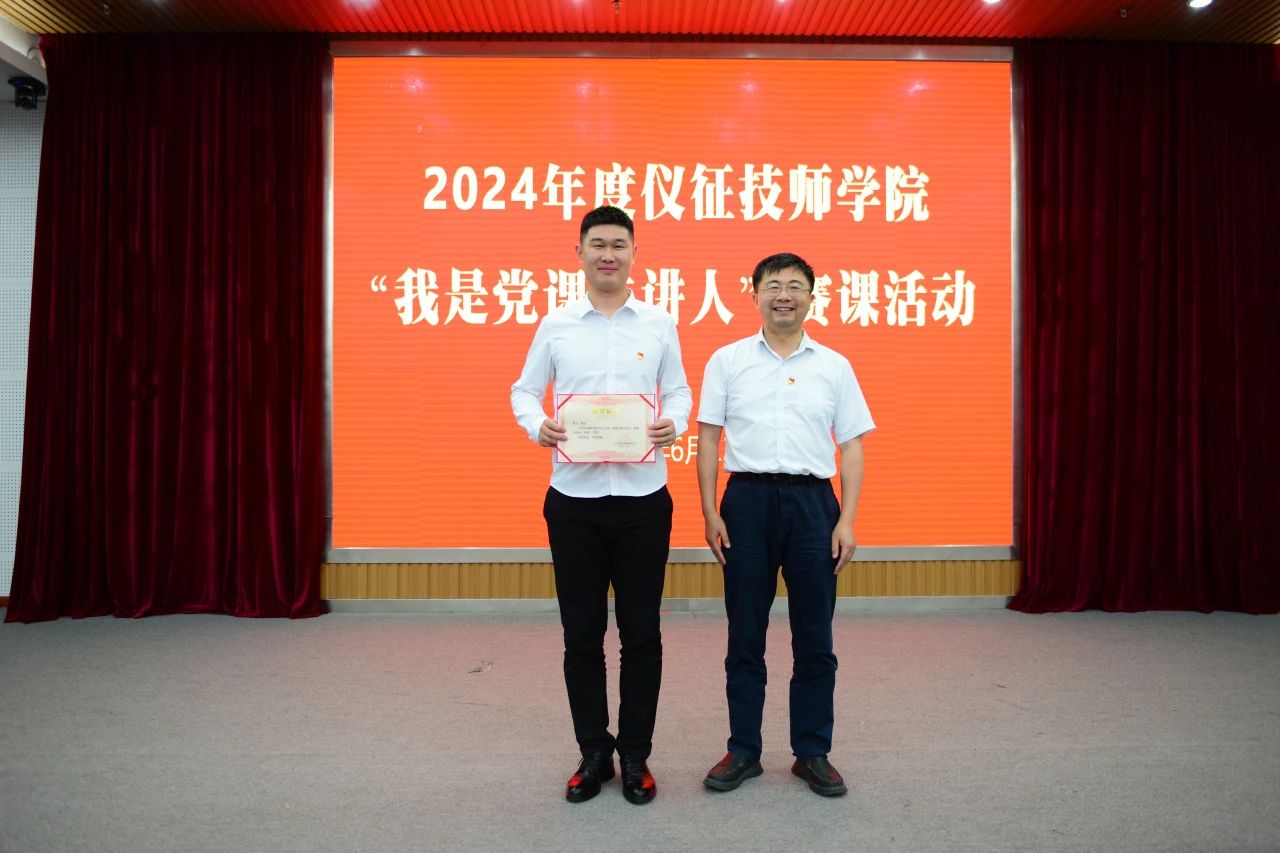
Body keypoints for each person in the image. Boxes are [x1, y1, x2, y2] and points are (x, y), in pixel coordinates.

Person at [510, 205, 691, 805]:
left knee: (642, 634)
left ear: (635, 254)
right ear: (580, 253)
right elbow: (524, 391)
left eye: (619, 244)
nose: (608, 254)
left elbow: (680, 390)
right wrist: (538, 425)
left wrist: (673, 421)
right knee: (581, 635)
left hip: (643, 501)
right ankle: (593, 752)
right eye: (597, 244)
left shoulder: (658, 323)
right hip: (574, 501)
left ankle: (635, 753)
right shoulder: (556, 324)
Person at [696, 252, 874, 797]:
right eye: (773, 285)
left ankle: (812, 751)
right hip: (746, 503)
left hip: (814, 505)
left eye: (796, 286)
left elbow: (851, 446)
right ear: (754, 294)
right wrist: (710, 511)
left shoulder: (834, 366)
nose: (784, 295)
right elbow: (708, 439)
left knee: (815, 635)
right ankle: (743, 750)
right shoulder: (727, 360)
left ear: (811, 298)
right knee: (744, 632)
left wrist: (846, 519)